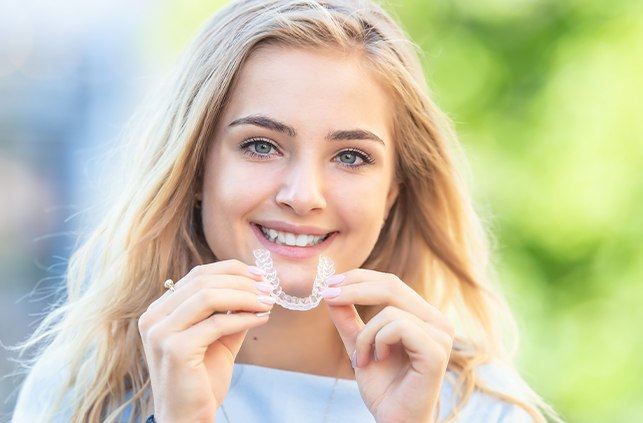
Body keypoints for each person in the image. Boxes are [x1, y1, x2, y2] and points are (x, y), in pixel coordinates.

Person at [10, 0, 564, 422]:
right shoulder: (86, 390)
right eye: (260, 145)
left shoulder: (484, 407)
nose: (303, 195)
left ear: (393, 192)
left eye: (351, 156)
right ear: (197, 167)